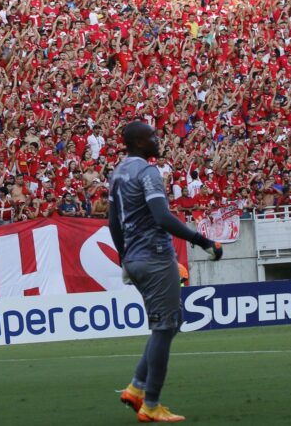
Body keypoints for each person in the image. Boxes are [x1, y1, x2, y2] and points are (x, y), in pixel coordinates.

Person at [109, 121, 222, 422]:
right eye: (152, 136)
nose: (158, 140)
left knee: (170, 324)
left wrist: (124, 258)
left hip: (135, 257)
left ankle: (135, 388)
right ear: (139, 142)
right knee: (164, 326)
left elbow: (113, 222)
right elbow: (162, 216)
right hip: (156, 256)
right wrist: (202, 240)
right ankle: (151, 404)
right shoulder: (147, 172)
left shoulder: (118, 172)